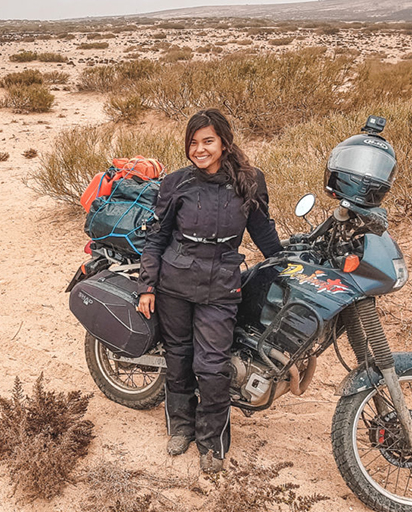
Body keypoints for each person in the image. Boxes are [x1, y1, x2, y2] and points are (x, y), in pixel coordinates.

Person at [136, 109, 282, 473]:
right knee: (179, 357)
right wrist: (147, 285)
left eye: (207, 141)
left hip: (221, 285)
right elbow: (157, 238)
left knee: (213, 366)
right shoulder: (176, 183)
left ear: (224, 142)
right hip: (175, 283)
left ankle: (212, 442)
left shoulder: (250, 181)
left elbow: (263, 232)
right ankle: (181, 428)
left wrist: (286, 264)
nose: (199, 149)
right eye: (193, 142)